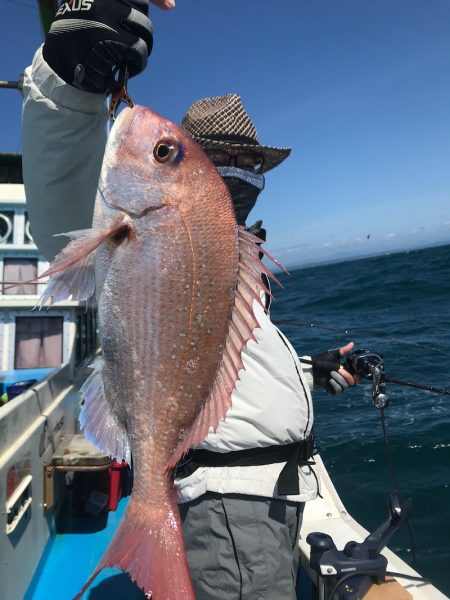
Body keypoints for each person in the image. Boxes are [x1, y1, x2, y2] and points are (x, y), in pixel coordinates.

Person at [22, 2, 358, 599]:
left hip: (284, 495)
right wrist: (70, 80)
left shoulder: (238, 254)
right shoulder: (142, 226)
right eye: (226, 158)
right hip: (231, 507)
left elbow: (228, 367)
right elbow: (57, 210)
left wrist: (311, 370)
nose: (244, 174)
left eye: (253, 164)